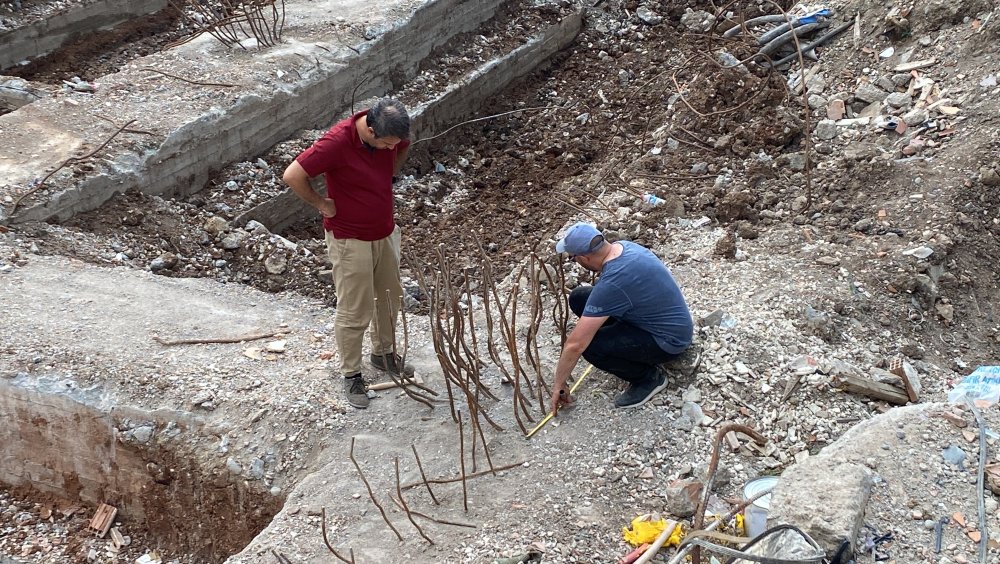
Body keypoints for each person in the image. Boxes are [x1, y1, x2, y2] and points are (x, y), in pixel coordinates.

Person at [282, 98, 414, 410]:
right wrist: (321, 204)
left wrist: (391, 170)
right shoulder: (336, 143)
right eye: (386, 145)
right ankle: (352, 373)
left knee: (389, 295)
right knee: (356, 307)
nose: (389, 150)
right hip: (350, 237)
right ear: (369, 130)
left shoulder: (391, 133)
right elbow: (292, 175)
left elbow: (404, 144)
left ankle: (382, 354)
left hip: (384, 231)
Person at [549, 222, 694, 413]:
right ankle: (620, 348)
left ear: (584, 257)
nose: (574, 261)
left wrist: (558, 384)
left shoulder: (613, 283)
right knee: (579, 297)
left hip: (669, 340)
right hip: (667, 322)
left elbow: (575, 345)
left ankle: (649, 379)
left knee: (591, 347)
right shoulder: (624, 247)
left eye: (573, 257)